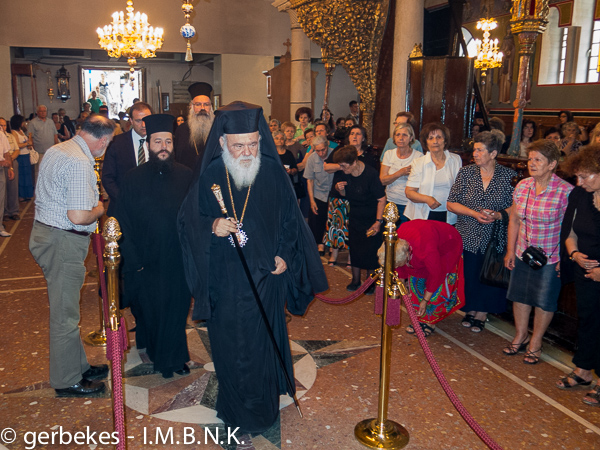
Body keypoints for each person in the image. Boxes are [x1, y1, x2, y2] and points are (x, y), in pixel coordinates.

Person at [178, 101, 328, 434]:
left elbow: (291, 221)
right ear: (222, 142)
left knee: (262, 342)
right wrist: (212, 224)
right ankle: (236, 408)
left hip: (266, 277)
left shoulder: (272, 172)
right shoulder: (211, 174)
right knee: (232, 345)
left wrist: (285, 254)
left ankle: (263, 406)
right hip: (226, 279)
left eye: (253, 144)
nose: (247, 152)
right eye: (238, 146)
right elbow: (187, 221)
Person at [29, 115, 115, 396]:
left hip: (47, 234)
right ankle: (67, 380)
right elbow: (78, 216)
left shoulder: (59, 149)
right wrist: (100, 208)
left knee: (66, 309)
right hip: (62, 241)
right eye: (109, 143)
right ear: (102, 140)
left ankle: (78, 366)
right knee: (65, 315)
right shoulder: (79, 161)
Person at [116, 114, 193, 378]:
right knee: (153, 309)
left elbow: (194, 216)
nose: (163, 147)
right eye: (158, 141)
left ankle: (175, 358)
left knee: (177, 309)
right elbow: (122, 220)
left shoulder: (186, 175)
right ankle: (160, 355)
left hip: (178, 257)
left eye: (168, 142)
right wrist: (132, 259)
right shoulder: (132, 178)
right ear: (148, 144)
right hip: (146, 260)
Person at [503, 140, 573, 364]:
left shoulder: (565, 191)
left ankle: (536, 341)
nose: (531, 164)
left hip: (551, 256)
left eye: (538, 160)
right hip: (523, 251)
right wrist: (510, 250)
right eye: (530, 159)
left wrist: (564, 258)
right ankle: (521, 335)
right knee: (520, 296)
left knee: (544, 301)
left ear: (552, 164)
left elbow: (570, 229)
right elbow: (514, 219)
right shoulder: (523, 186)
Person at [447, 130, 516, 332]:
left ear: (493, 153)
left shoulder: (509, 176)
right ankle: (470, 308)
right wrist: (474, 213)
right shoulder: (466, 173)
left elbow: (517, 207)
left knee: (488, 274)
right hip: (468, 232)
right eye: (474, 150)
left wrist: (499, 214)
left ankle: (483, 312)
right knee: (470, 272)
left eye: (480, 150)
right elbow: (451, 203)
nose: (475, 154)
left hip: (495, 236)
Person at [555, 145, 600, 406]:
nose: (579, 182)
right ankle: (583, 370)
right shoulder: (580, 195)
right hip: (584, 269)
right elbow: (569, 231)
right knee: (588, 320)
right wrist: (574, 254)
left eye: (584, 176)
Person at [381, 220, 465, 337]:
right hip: (422, 243)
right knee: (415, 282)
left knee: (436, 287)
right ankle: (420, 318)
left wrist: (425, 300)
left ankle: (430, 321)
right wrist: (403, 286)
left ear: (407, 255)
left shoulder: (426, 250)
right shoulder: (396, 242)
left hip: (447, 245)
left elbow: (436, 275)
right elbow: (398, 265)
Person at [333, 145, 386, 292]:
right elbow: (345, 195)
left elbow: (381, 199)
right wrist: (339, 189)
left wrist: (378, 222)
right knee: (355, 250)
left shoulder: (370, 174)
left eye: (344, 166)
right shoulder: (345, 173)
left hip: (371, 217)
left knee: (371, 252)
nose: (341, 169)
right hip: (355, 216)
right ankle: (355, 280)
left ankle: (370, 283)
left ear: (354, 162)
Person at [102, 102, 153, 218]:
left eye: (147, 120)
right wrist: (124, 199)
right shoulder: (116, 143)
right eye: (138, 121)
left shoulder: (159, 142)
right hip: (122, 208)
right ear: (131, 120)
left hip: (152, 209)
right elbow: (108, 178)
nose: (143, 125)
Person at [405, 122, 462, 224]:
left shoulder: (455, 160)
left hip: (449, 214)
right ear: (426, 142)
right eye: (430, 138)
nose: (435, 141)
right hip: (423, 214)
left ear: (445, 140)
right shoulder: (419, 162)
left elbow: (460, 188)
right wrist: (427, 199)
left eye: (439, 137)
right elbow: (409, 192)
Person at [380, 123, 422, 223]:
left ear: (411, 138)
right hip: (390, 201)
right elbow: (382, 180)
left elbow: (421, 183)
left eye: (404, 135)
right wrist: (400, 173)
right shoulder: (389, 154)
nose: (401, 138)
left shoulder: (418, 156)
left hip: (409, 203)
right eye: (398, 135)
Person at [304, 135, 335, 255]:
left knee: (333, 219)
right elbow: (310, 180)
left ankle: (332, 244)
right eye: (318, 151)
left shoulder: (335, 154)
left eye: (323, 150)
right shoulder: (312, 158)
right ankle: (320, 243)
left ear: (327, 145)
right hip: (318, 193)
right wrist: (312, 200)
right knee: (318, 219)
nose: (321, 153)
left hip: (334, 192)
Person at [174, 82, 214, 171]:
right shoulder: (181, 130)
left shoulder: (218, 128)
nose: (202, 108)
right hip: (187, 176)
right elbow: (177, 158)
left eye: (206, 104)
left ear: (211, 107)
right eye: (198, 104)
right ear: (191, 106)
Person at [28, 105, 59, 185]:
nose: (43, 113)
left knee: (51, 170)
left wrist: (57, 147)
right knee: (39, 171)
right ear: (37, 112)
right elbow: (30, 137)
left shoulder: (50, 121)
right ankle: (38, 188)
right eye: (41, 111)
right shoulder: (33, 122)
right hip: (39, 152)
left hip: (51, 151)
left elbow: (55, 134)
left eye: (44, 111)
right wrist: (33, 150)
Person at [10, 115, 34, 201]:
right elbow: (17, 145)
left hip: (26, 154)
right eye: (22, 121)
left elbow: (28, 142)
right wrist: (27, 144)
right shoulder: (13, 132)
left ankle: (28, 194)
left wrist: (29, 139)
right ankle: (21, 195)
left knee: (27, 175)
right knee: (21, 176)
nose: (24, 123)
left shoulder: (21, 131)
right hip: (20, 156)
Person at [1, 118, 19, 221]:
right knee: (3, 190)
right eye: (0, 125)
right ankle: (5, 212)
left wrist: (10, 160)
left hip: (11, 162)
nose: (2, 127)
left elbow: (17, 149)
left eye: (4, 125)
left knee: (13, 187)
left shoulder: (10, 136)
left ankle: (14, 211)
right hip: (2, 164)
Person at [0, 123, 15, 237]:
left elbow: (6, 153)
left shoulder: (1, 134)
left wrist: (10, 167)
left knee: (1, 199)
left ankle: (0, 227)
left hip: (1, 170)